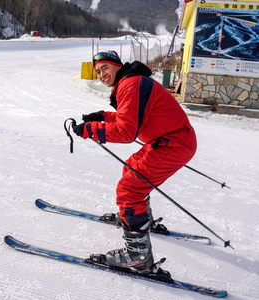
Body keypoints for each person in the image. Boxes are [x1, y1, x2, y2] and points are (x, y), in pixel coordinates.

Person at [72, 50, 197, 274]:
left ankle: (137, 255)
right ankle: (139, 217)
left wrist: (90, 129)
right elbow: (131, 116)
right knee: (131, 170)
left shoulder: (131, 83)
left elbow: (126, 131)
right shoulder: (131, 81)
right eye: (98, 71)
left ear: (118, 66)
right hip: (167, 141)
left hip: (172, 143)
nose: (101, 74)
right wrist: (102, 116)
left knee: (130, 188)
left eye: (105, 68)